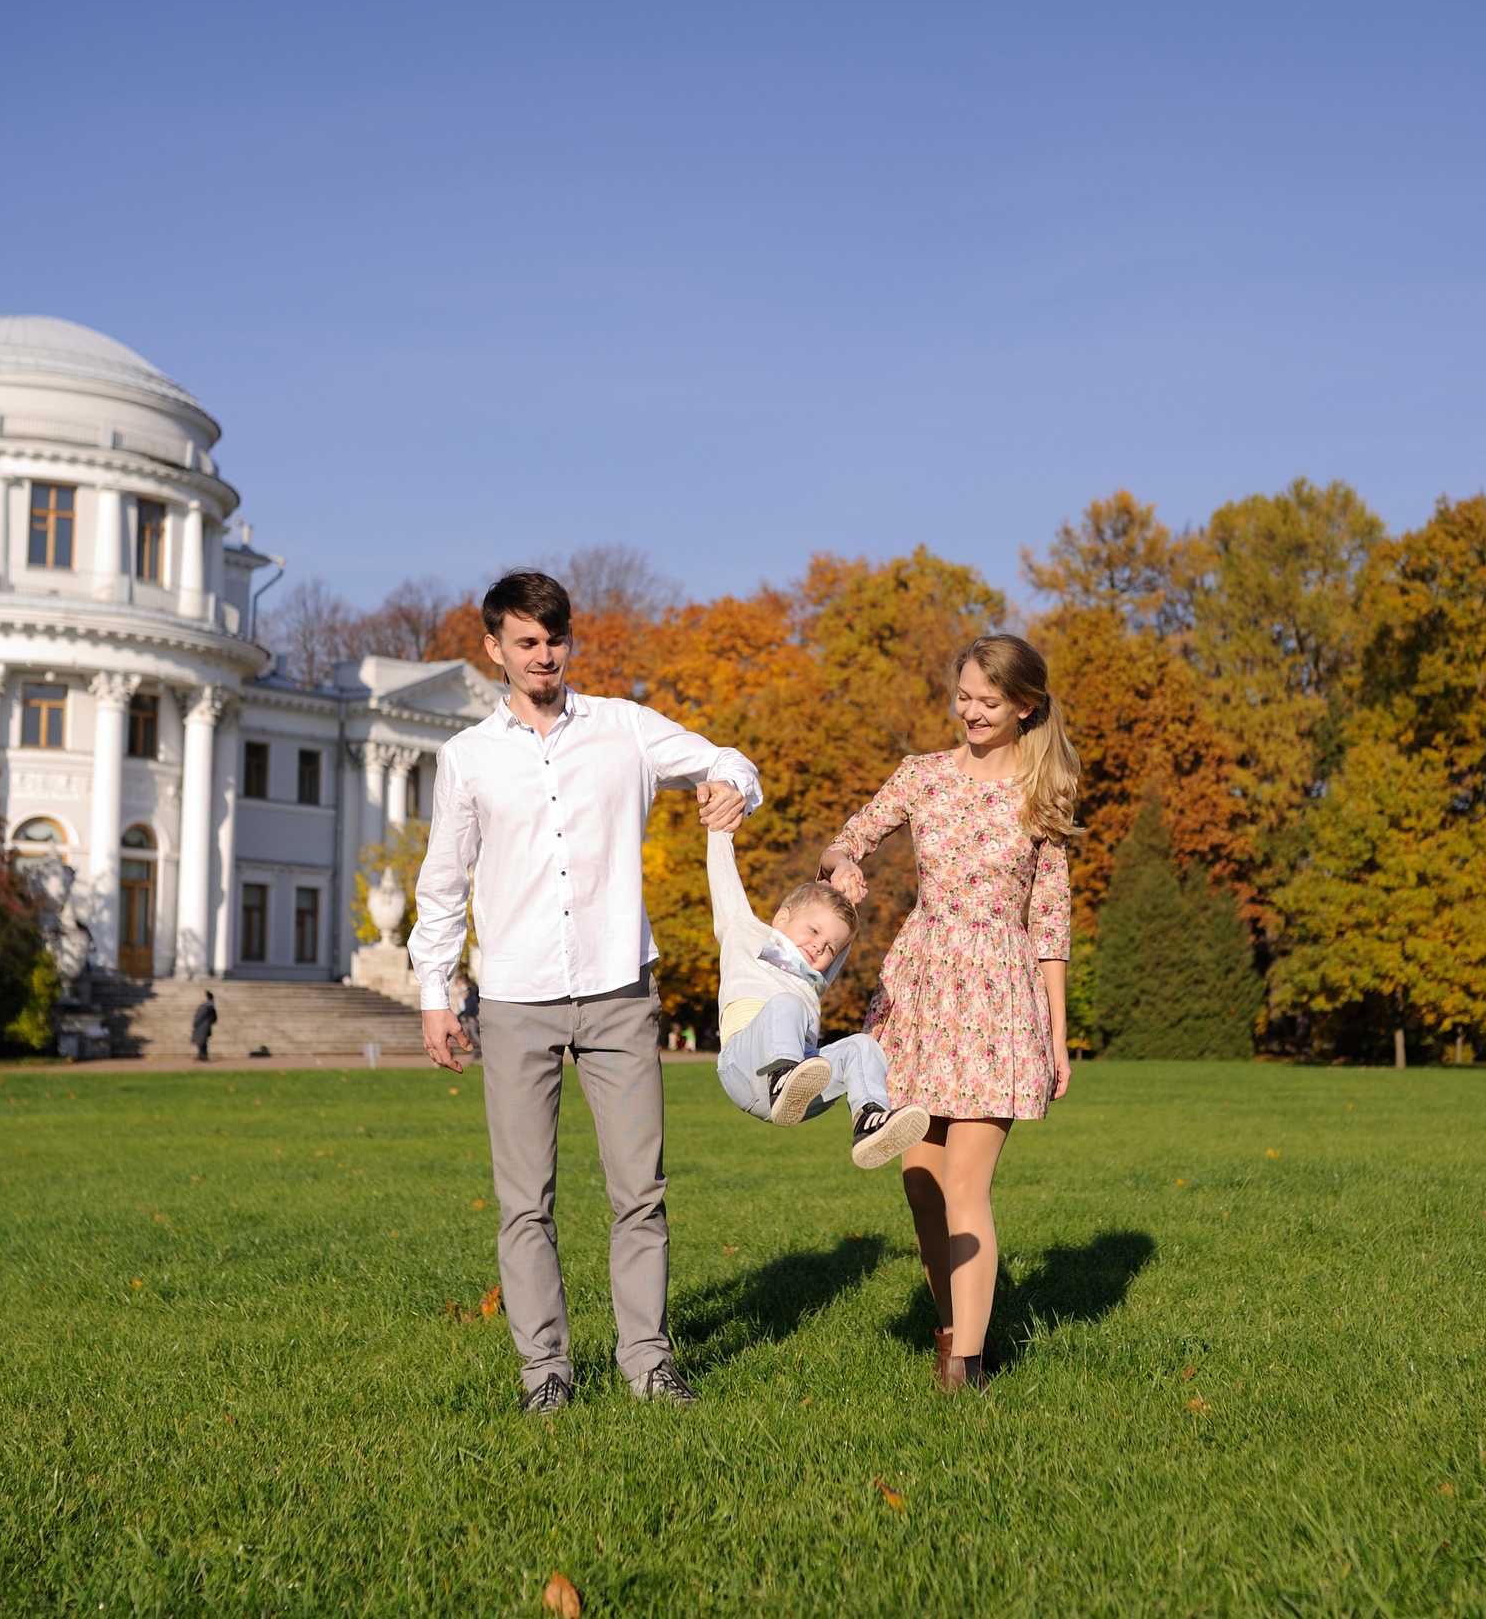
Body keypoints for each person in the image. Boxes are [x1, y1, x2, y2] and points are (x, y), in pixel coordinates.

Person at [409, 569, 759, 1415]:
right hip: (516, 1000)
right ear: (494, 648)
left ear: (572, 642)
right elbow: (444, 883)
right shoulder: (467, 758)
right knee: (524, 1202)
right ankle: (546, 1375)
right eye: (525, 642)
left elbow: (726, 757)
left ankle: (646, 1361)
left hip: (617, 991)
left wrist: (732, 789)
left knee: (639, 1190)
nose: (543, 656)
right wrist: (433, 990)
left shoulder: (626, 730)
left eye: (555, 640)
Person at [819, 634, 1079, 1393]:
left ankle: (961, 1365)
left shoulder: (1043, 794)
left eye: (987, 702)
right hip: (921, 990)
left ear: (1024, 706)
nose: (969, 711)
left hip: (999, 995)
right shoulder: (922, 776)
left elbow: (1052, 924)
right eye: (963, 696)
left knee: (967, 1181)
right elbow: (850, 838)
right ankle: (955, 1323)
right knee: (920, 1179)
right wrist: (842, 867)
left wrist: (1058, 1037)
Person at [706, 828, 932, 1167]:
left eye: (829, 947)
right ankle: (782, 1074)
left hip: (803, 1088)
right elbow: (723, 880)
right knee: (788, 1003)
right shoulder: (744, 932)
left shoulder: (815, 975)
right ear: (782, 918)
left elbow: (840, 937)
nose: (819, 947)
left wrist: (846, 899)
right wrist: (719, 830)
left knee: (862, 1045)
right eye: (813, 931)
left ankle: (869, 1120)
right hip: (746, 1066)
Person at [190, 990, 216, 1062]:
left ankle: (202, 1056)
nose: (203, 997)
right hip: (206, 1026)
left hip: (201, 1026)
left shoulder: (205, 1007)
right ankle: (203, 1056)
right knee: (203, 1042)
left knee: (201, 1042)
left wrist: (195, 1024)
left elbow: (199, 1016)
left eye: (204, 995)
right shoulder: (211, 1006)